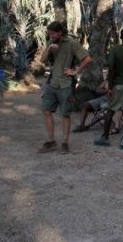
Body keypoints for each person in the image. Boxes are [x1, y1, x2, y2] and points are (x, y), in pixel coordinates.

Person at [39, 21, 92, 154]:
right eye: (49, 34)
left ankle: (65, 143)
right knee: (46, 111)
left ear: (60, 32)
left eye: (53, 33)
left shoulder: (72, 43)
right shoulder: (51, 43)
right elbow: (42, 60)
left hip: (66, 84)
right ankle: (51, 141)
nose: (50, 36)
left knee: (65, 114)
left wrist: (76, 71)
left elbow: (87, 59)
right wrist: (49, 48)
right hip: (52, 83)